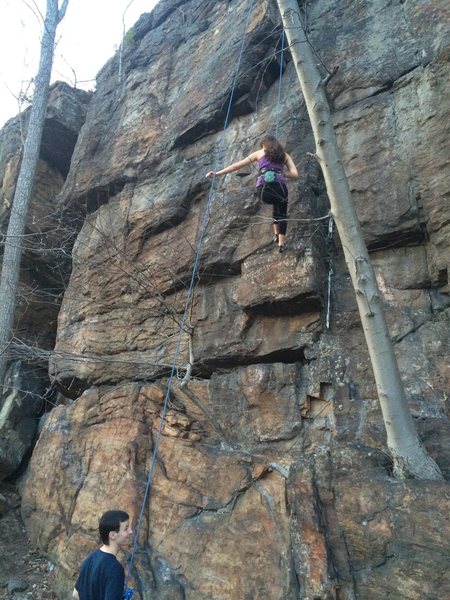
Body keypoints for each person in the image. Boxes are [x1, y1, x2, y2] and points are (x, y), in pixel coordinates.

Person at [206, 135, 298, 252]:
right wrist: (281, 173)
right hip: (280, 189)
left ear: (264, 145)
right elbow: (295, 174)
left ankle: (275, 234)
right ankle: (281, 244)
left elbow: (236, 166)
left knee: (275, 206)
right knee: (281, 214)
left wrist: (217, 173)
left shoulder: (259, 153)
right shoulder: (284, 155)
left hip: (263, 192)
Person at [73, 510, 133, 600]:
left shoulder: (91, 558)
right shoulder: (115, 569)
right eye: (126, 528)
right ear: (112, 535)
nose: (131, 531)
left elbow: (76, 594)